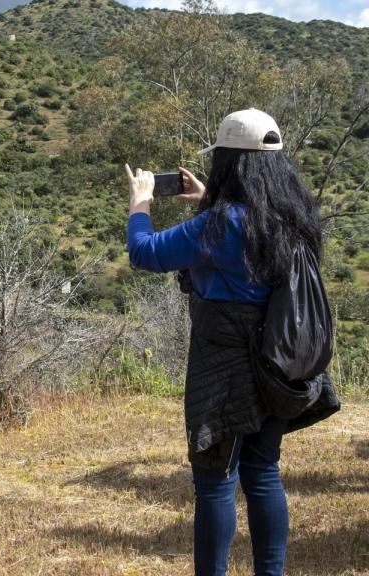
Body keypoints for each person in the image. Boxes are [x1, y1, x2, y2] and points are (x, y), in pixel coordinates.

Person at [123, 108, 338, 576]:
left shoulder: (220, 225)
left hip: (225, 366)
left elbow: (145, 253)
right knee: (263, 471)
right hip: (277, 362)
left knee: (216, 480)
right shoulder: (291, 215)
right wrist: (206, 200)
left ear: (229, 163)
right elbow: (247, 242)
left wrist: (140, 202)